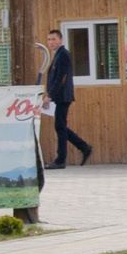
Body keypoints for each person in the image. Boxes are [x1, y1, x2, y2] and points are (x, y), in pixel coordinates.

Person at [43, 28, 91, 167]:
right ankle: (84, 147)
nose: (51, 42)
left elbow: (61, 78)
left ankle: (61, 159)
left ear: (61, 40)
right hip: (60, 96)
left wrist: (50, 96)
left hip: (63, 96)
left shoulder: (63, 54)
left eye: (53, 39)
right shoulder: (58, 55)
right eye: (49, 40)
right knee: (61, 126)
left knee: (60, 126)